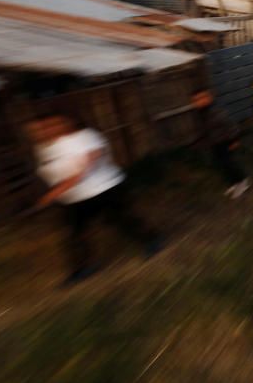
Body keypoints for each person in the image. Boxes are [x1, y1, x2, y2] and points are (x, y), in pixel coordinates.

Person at [27, 114, 161, 284]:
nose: (47, 130)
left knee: (121, 219)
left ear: (67, 123)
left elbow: (86, 168)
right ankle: (82, 268)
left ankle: (152, 240)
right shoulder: (43, 148)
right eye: (41, 127)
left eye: (53, 124)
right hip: (72, 198)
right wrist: (58, 192)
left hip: (104, 188)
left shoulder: (85, 137)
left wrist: (52, 194)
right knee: (74, 234)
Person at [190, 89, 249, 198]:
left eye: (202, 98)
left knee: (230, 163)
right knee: (221, 165)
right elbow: (203, 131)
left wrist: (234, 140)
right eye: (196, 100)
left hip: (225, 142)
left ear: (209, 98)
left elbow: (230, 126)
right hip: (214, 144)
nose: (199, 102)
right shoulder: (199, 114)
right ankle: (234, 183)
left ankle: (242, 182)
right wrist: (198, 143)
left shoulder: (216, 111)